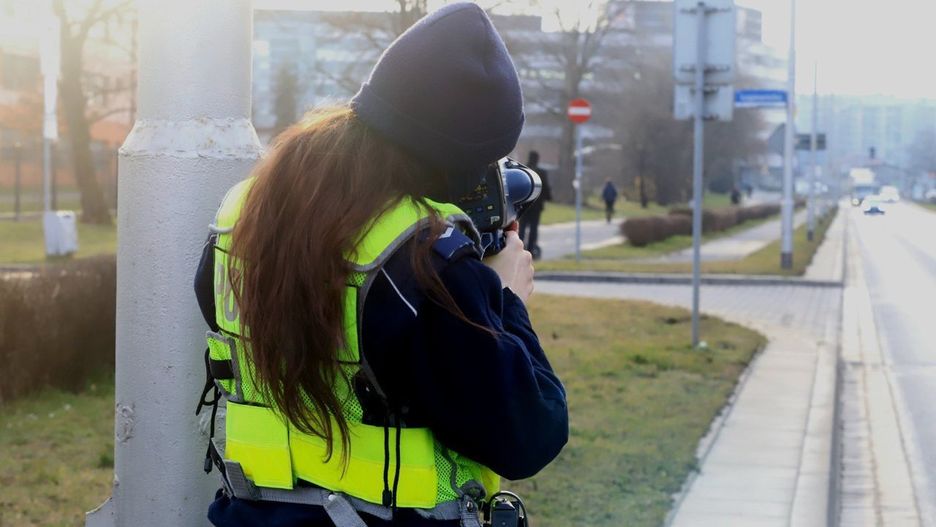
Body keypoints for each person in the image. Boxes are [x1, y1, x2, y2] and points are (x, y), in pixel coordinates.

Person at [192, 4, 568, 527]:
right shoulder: (424, 265)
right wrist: (503, 300)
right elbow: (531, 435)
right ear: (455, 161)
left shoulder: (244, 217)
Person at [517, 150, 550, 260]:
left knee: (522, 227)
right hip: (536, 206)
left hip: (524, 205)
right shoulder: (541, 172)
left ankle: (519, 248)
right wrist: (549, 198)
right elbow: (545, 188)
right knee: (533, 228)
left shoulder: (522, 169)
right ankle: (531, 249)